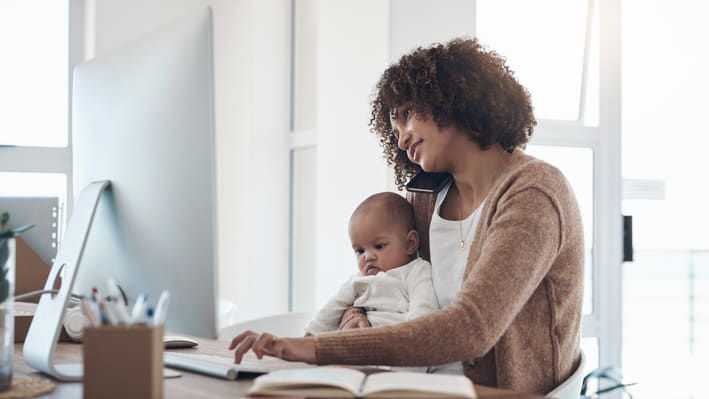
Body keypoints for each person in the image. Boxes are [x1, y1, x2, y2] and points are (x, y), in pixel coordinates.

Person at [229, 37, 584, 395]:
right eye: (394, 129)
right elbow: (384, 280)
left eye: (407, 115)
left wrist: (315, 348)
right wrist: (357, 316)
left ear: (454, 98)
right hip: (414, 384)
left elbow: (472, 329)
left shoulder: (533, 192)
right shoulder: (425, 197)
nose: (400, 140)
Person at [304, 192, 438, 335]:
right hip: (359, 338)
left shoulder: (416, 271)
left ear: (410, 243)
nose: (367, 257)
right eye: (360, 251)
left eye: (379, 246)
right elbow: (333, 307)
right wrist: (310, 335)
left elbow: (423, 307)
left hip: (398, 340)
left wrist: (412, 337)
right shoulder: (358, 280)